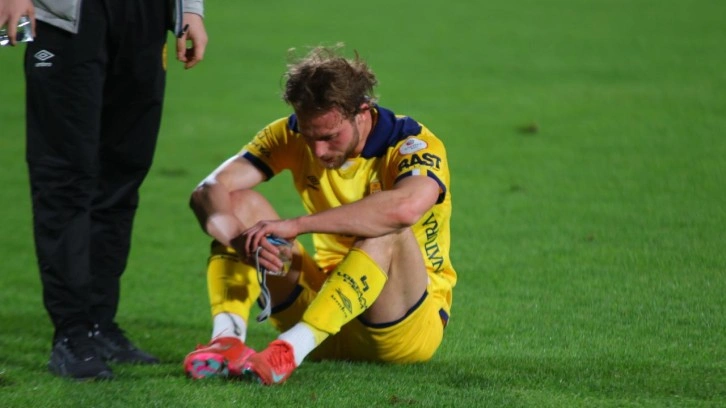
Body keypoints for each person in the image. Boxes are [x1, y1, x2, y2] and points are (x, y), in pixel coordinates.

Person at [184, 45, 456, 385]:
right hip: (322, 304)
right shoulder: (291, 133)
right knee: (236, 203)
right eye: (308, 136)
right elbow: (207, 190)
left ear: (362, 112)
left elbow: (406, 207)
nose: (318, 150)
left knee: (389, 226)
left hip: (399, 328)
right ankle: (227, 339)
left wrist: (297, 225)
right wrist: (238, 240)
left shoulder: (411, 143)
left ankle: (290, 349)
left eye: (329, 137)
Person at [0, 0, 208, 380]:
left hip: (146, 16)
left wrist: (190, 8)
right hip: (69, 18)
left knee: (122, 175)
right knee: (64, 178)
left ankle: (99, 324)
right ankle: (72, 333)